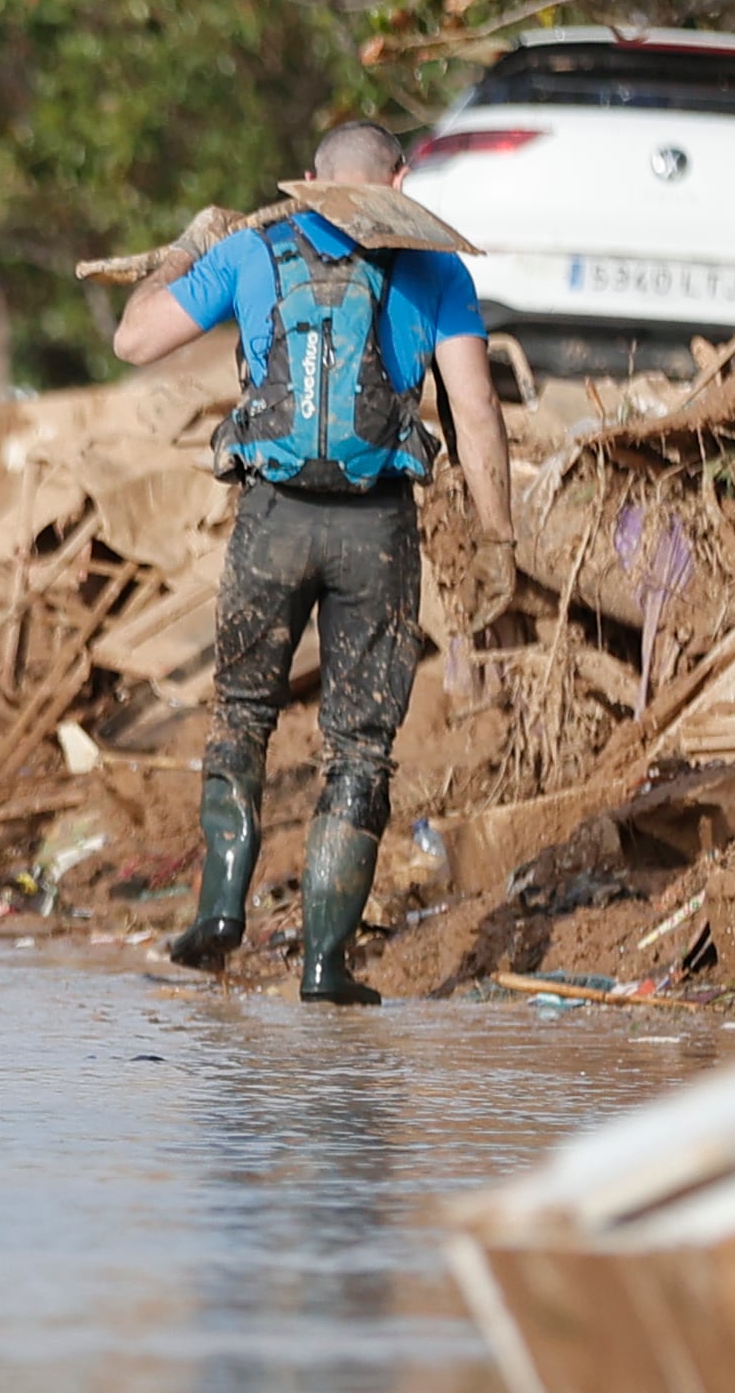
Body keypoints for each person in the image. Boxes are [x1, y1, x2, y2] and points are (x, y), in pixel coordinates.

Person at [112, 121, 514, 1003]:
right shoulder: (438, 271)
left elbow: (133, 340)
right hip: (377, 532)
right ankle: (326, 964)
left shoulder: (254, 250)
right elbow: (476, 414)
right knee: (361, 748)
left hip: (273, 520)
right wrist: (498, 539)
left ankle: (220, 908)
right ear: (398, 180)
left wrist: (184, 253)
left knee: (243, 713)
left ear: (306, 181)